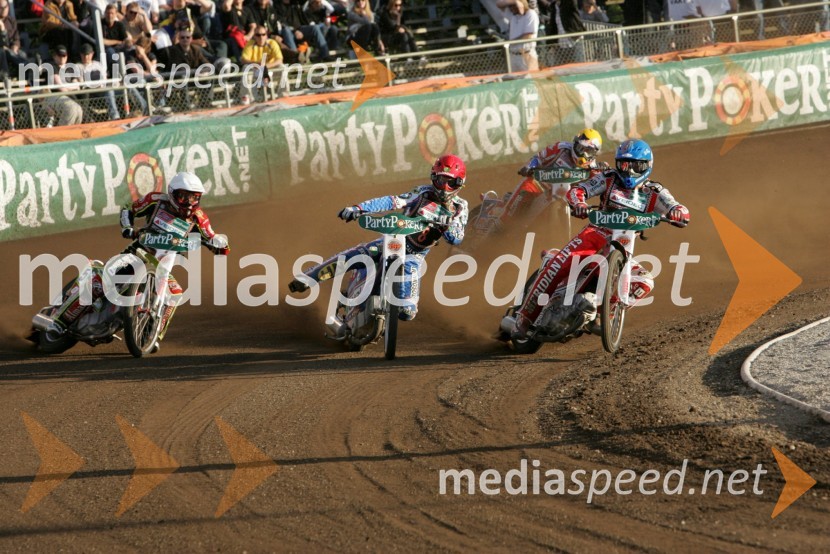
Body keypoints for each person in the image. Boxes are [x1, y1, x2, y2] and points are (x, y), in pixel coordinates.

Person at [510, 139, 690, 339]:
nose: (628, 171)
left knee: (645, 282)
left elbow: (677, 206)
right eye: (624, 164)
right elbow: (579, 190)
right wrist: (579, 203)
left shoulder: (654, 191)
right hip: (596, 233)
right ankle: (524, 317)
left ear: (646, 166)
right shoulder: (608, 178)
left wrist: (678, 213)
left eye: (634, 166)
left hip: (626, 242)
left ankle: (605, 314)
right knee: (559, 265)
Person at [288, 154, 469, 323]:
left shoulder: (460, 207)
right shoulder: (422, 192)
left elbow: (457, 237)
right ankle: (309, 277)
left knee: (407, 312)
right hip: (392, 242)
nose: (444, 187)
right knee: (355, 255)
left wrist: (447, 226)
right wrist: (358, 208)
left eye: (450, 182)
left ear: (460, 183)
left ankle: (381, 316)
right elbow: (392, 201)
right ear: (433, 178)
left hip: (414, 257)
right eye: (440, 180)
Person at [119, 171, 229, 350]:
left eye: (194, 198)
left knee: (175, 294)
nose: (188, 202)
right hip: (139, 251)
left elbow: (212, 236)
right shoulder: (156, 200)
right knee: (104, 279)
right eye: (183, 196)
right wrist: (128, 228)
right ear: (172, 193)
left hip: (166, 260)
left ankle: (152, 335)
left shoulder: (199, 217)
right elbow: (128, 208)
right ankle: (61, 319)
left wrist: (220, 243)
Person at [500, 128, 606, 228]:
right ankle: (502, 220)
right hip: (541, 185)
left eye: (588, 151)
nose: (583, 153)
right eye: (580, 148)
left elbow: (601, 182)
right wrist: (529, 166)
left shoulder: (592, 167)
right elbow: (539, 157)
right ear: (575, 143)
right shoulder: (561, 148)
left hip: (563, 196)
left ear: (594, 153)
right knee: (527, 185)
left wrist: (604, 170)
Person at [238, 25, 283, 104]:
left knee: (282, 67)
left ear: (266, 35)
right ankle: (247, 97)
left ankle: (283, 95)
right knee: (246, 68)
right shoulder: (250, 44)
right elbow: (244, 59)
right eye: (258, 35)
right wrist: (256, 64)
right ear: (254, 36)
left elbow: (279, 59)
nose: (261, 37)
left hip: (270, 68)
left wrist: (266, 66)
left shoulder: (272, 43)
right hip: (256, 69)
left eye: (263, 34)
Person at [496, 0, 539, 71]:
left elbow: (528, 36)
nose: (510, 8)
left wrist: (510, 42)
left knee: (531, 80)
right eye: (510, 6)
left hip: (526, 54)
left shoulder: (531, 14)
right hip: (513, 55)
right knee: (514, 80)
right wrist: (515, 1)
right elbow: (498, 4)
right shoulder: (513, 15)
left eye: (513, 6)